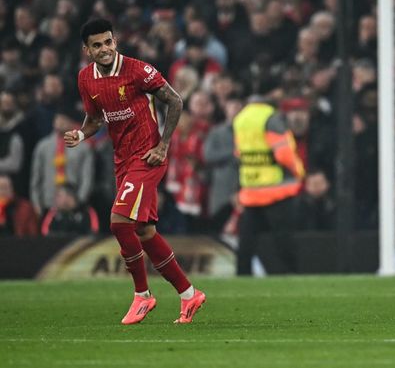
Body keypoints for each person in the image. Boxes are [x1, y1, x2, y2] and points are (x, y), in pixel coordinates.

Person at [64, 18, 206, 325]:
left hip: (149, 156)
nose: (104, 49)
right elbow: (94, 120)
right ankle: (188, 294)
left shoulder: (138, 70)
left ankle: (142, 295)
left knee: (118, 223)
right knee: (144, 232)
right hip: (123, 160)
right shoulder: (85, 79)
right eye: (97, 45)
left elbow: (175, 100)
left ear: (115, 42)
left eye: (108, 42)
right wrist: (80, 135)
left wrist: (164, 145)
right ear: (87, 50)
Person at [233, 95, 305, 275]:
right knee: (283, 238)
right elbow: (284, 153)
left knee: (247, 241)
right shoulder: (271, 118)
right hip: (276, 189)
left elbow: (238, 153)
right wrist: (299, 172)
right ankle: (291, 275)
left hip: (251, 188)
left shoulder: (240, 119)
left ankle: (242, 276)